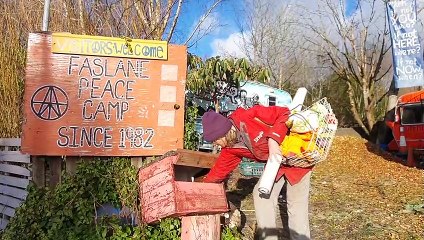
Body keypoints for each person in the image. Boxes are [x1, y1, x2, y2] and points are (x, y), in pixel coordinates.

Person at [201, 105, 313, 240]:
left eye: (215, 140)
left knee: (296, 204)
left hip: (297, 155)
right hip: (276, 165)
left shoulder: (250, 115)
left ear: (223, 132)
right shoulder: (231, 148)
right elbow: (218, 172)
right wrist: (200, 191)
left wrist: (273, 140)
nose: (216, 145)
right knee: (261, 195)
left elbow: (284, 113)